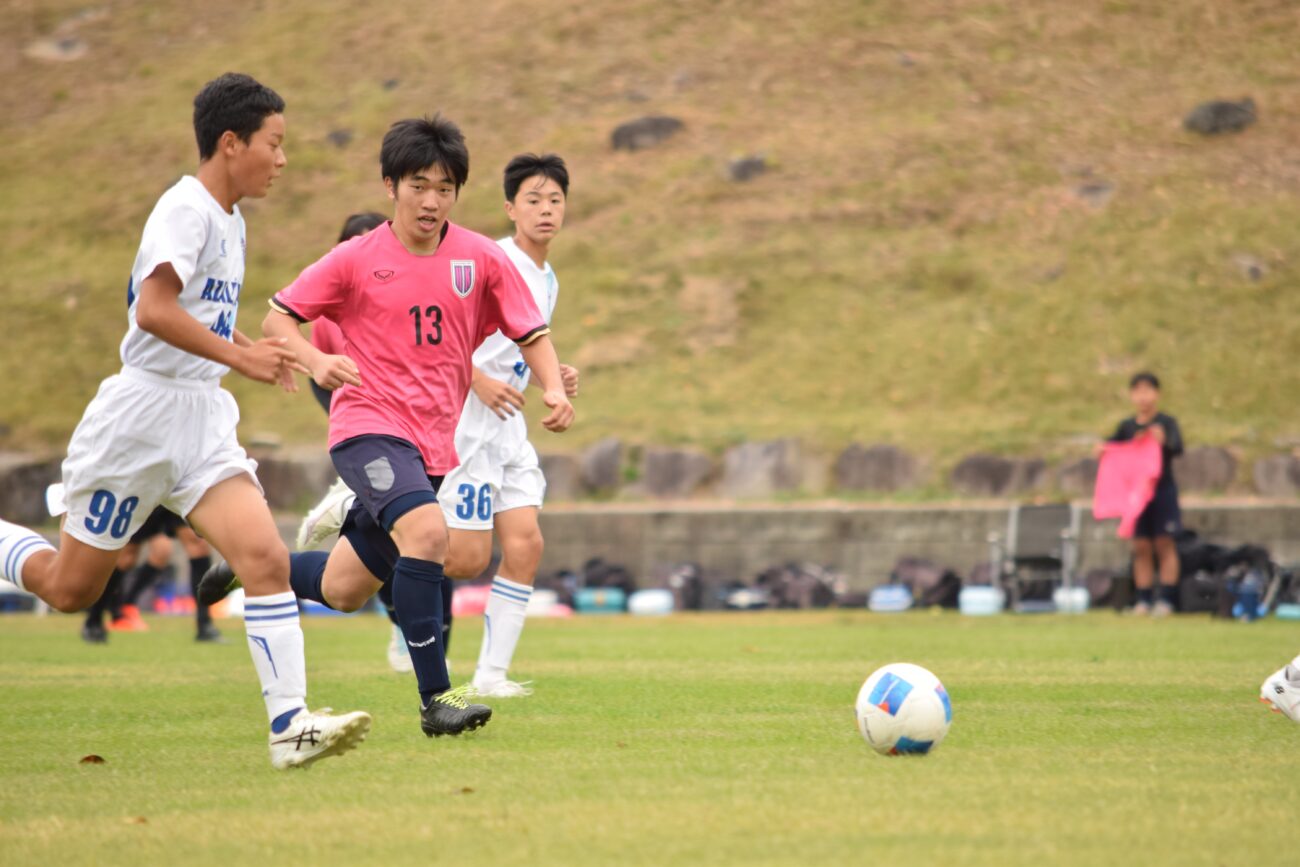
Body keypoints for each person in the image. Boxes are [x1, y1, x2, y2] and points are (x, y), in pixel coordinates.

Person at [0, 73, 370, 769]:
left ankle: (290, 726)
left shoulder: (231, 218)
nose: (283, 159)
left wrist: (245, 360)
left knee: (263, 558)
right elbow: (153, 310)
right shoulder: (186, 209)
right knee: (71, 589)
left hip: (199, 415)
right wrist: (241, 356)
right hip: (139, 417)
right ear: (231, 144)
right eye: (274, 143)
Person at [200, 115, 575, 738]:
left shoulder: (481, 258)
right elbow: (277, 319)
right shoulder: (355, 259)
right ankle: (436, 700)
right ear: (390, 185)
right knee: (430, 535)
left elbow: (529, 331)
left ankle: (250, 558)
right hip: (367, 428)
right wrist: (317, 359)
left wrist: (556, 387)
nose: (431, 201)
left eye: (445, 188)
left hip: (432, 446)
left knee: (343, 588)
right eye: (418, 185)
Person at [298, 155, 579, 695]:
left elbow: (524, 340)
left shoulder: (546, 276)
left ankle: (490, 676)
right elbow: (437, 336)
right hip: (468, 426)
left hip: (510, 428)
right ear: (509, 209)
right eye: (533, 201)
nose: (546, 211)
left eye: (555, 201)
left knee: (526, 545)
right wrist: (478, 381)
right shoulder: (485, 257)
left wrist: (554, 381)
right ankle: (362, 516)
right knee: (461, 556)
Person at [1101, 372, 1184, 616]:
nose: (1143, 396)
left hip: (1162, 492)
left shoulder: (1166, 423)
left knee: (1164, 543)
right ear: (1132, 395)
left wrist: (1162, 441)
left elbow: (1177, 448)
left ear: (1157, 394)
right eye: (1138, 391)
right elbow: (1112, 450)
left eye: (1148, 390)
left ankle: (1167, 599)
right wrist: (1102, 450)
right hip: (1136, 497)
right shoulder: (1127, 427)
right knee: (1141, 547)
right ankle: (1143, 599)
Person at [78, 504, 223, 643]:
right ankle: (94, 619)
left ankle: (204, 624)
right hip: (148, 489)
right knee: (126, 558)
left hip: (174, 486)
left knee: (194, 545)